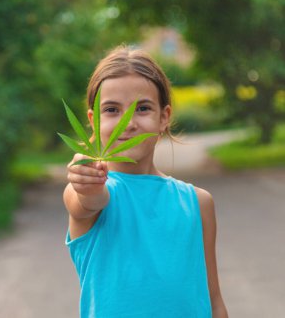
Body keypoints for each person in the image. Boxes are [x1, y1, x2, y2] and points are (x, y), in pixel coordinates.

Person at [64, 45, 228, 318]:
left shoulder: (198, 202)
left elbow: (213, 300)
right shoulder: (91, 192)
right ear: (93, 121)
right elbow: (86, 200)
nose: (127, 123)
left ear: (164, 117)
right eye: (112, 110)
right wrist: (87, 182)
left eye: (142, 108)